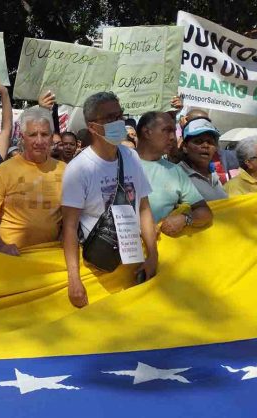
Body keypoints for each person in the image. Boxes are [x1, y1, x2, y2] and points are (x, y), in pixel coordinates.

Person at [61, 92, 158, 308]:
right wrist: (74, 279)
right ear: (93, 126)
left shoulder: (131, 157)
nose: (119, 122)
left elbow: (143, 208)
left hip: (134, 266)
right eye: (110, 118)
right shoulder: (78, 169)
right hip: (99, 269)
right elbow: (69, 227)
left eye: (120, 115)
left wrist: (152, 255)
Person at [0, 108, 65, 255]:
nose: (39, 141)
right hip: (12, 258)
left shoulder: (65, 171)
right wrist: (1, 246)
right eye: (33, 135)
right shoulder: (4, 171)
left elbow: (70, 219)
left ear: (52, 137)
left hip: (51, 257)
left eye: (44, 134)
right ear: (22, 137)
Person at [136, 111, 213, 233]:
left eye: (173, 131)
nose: (173, 137)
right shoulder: (119, 163)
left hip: (158, 249)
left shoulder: (175, 171)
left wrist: (185, 219)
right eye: (167, 130)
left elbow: (205, 212)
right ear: (147, 132)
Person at [177, 118, 227, 201]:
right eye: (198, 141)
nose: (205, 145)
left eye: (210, 142)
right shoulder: (176, 175)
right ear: (185, 147)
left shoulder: (214, 175)